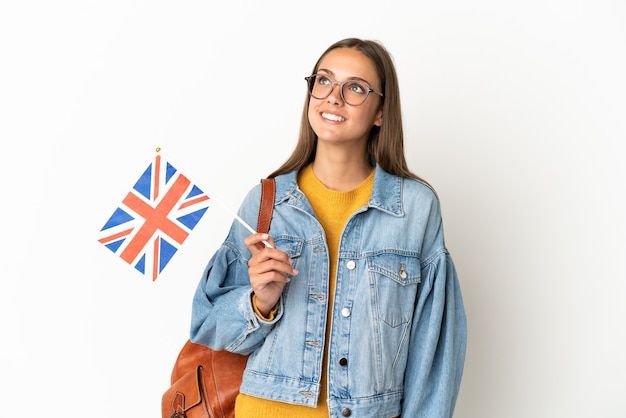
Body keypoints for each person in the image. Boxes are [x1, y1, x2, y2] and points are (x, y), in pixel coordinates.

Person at [190, 37, 467, 418]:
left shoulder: (415, 209)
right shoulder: (267, 202)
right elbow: (207, 325)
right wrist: (260, 302)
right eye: (323, 81)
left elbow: (434, 353)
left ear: (380, 113)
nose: (333, 97)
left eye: (355, 88)